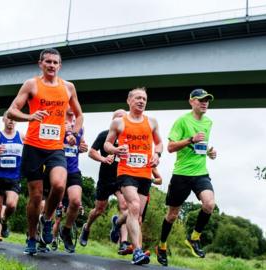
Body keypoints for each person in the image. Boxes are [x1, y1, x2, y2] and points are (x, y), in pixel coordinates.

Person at [6, 48, 83, 255]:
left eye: (55, 62)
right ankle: (31, 237)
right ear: (40, 64)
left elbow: (79, 115)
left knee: (59, 185)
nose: (51, 65)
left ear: (60, 65)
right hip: (33, 146)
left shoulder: (68, 87)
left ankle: (47, 220)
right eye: (47, 61)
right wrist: (29, 117)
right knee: (36, 195)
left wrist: (73, 135)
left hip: (55, 147)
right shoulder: (31, 84)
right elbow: (11, 111)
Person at [156, 88, 217, 266]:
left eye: (207, 100)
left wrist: (209, 152)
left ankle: (194, 238)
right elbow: (170, 147)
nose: (204, 102)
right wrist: (190, 139)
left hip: (200, 172)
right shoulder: (182, 121)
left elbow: (201, 146)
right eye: (200, 100)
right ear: (191, 102)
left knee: (209, 204)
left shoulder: (208, 122)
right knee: (172, 215)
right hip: (181, 174)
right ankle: (162, 245)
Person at [104, 87, 163, 265]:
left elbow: (159, 143)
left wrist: (157, 155)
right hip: (126, 172)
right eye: (138, 98)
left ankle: (117, 222)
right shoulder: (119, 123)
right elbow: (107, 144)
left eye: (144, 99)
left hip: (144, 173)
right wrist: (115, 149)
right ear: (129, 101)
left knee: (135, 215)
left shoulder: (151, 122)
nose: (141, 101)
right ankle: (137, 251)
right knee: (134, 206)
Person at [79, 109, 131, 255]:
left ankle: (123, 242)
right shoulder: (104, 135)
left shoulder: (129, 137)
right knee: (99, 209)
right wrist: (103, 159)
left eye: (124, 118)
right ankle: (87, 227)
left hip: (122, 178)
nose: (121, 121)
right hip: (106, 178)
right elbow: (91, 152)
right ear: (113, 121)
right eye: (118, 118)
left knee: (125, 206)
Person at [0, 113, 24, 248]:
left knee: (12, 205)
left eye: (14, 119)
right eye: (9, 118)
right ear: (4, 120)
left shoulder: (21, 136)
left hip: (14, 177)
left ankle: (5, 220)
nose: (11, 121)